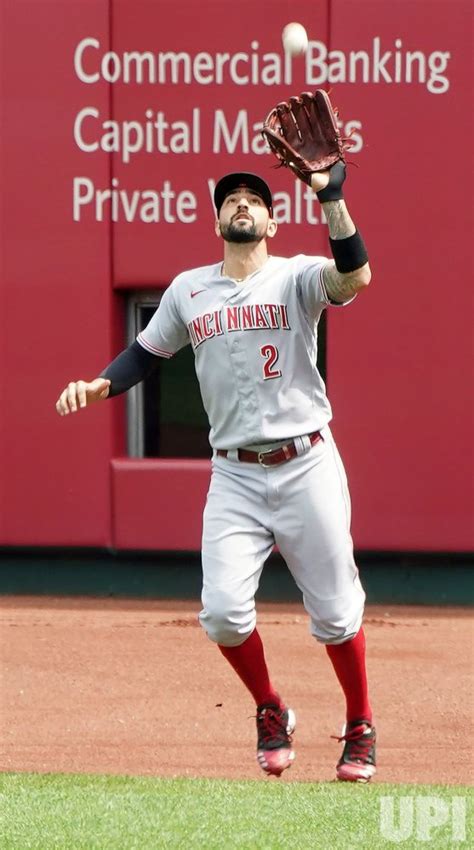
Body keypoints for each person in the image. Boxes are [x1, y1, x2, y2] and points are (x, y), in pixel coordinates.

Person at [56, 163, 376, 782]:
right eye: (232, 198)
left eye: (255, 198)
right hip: (233, 473)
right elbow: (146, 353)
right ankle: (270, 707)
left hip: (305, 460)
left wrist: (332, 197)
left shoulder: (297, 275)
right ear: (217, 221)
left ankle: (360, 721)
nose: (242, 203)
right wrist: (99, 385)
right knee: (224, 613)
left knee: (336, 612)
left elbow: (356, 275)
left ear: (271, 221)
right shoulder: (188, 289)